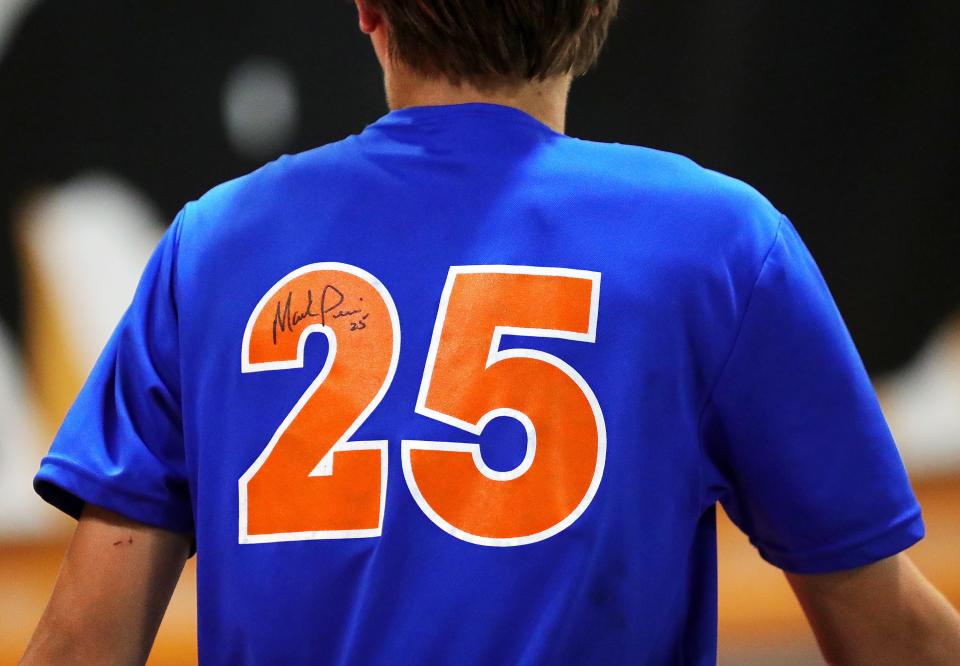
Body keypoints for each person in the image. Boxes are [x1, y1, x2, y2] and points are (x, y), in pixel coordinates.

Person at [22, 0, 960, 663]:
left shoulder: (211, 247)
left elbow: (79, 646)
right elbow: (892, 640)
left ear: (366, 10)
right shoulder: (719, 244)